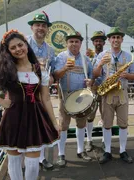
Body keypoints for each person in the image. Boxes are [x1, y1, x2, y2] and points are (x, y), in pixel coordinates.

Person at [0, 30, 59, 180]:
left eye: (20, 45)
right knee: (14, 159)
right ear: (8, 51)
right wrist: (0, 101)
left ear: (26, 45)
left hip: (35, 117)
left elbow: (46, 98)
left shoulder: (39, 68)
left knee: (32, 162)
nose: (18, 49)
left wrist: (54, 122)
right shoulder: (5, 69)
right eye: (13, 48)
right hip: (14, 116)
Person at [93, 27, 134, 164]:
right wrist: (100, 64)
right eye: (113, 37)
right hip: (107, 93)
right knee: (107, 124)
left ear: (122, 39)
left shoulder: (128, 57)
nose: (115, 40)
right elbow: (94, 74)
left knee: (123, 124)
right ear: (109, 40)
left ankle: (123, 150)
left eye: (118, 37)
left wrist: (127, 75)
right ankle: (107, 151)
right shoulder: (102, 55)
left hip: (122, 93)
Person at [54, 31, 93, 166]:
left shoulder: (85, 59)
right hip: (65, 95)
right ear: (67, 43)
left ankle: (81, 150)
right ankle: (61, 154)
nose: (74, 44)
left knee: (81, 124)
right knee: (63, 125)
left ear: (80, 43)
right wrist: (65, 68)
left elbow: (92, 76)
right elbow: (56, 75)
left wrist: (90, 81)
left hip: (81, 97)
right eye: (71, 41)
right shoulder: (61, 57)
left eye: (76, 41)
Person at [27, 11, 56, 170]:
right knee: (25, 124)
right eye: (37, 25)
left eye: (44, 25)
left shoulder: (50, 51)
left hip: (42, 93)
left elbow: (53, 71)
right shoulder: (23, 43)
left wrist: (52, 78)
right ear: (32, 27)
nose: (40, 28)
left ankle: (41, 158)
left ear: (47, 29)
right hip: (24, 92)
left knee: (43, 123)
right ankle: (26, 157)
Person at [85, 30, 106, 152]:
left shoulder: (107, 55)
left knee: (105, 116)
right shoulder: (89, 57)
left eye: (100, 40)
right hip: (92, 88)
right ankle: (89, 140)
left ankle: (104, 140)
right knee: (90, 116)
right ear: (93, 42)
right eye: (96, 40)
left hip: (104, 88)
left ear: (104, 42)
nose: (98, 42)